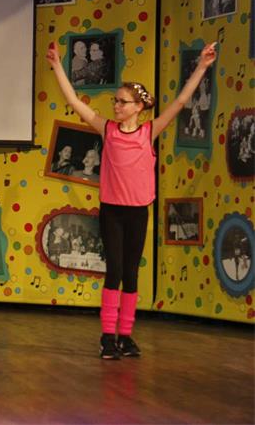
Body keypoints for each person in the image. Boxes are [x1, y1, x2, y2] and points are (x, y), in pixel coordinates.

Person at [47, 40, 217, 360]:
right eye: (115, 101)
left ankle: (125, 335)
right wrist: (57, 64)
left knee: (131, 273)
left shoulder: (148, 132)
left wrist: (202, 66)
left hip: (138, 212)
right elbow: (73, 100)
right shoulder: (107, 129)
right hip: (112, 212)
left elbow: (181, 101)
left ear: (138, 107)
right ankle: (107, 337)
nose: (116, 106)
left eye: (122, 102)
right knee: (114, 271)